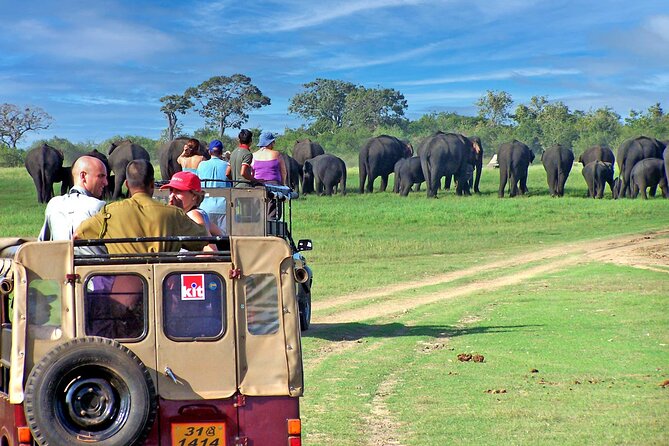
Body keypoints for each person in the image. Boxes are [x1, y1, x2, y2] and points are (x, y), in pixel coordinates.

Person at [75, 159, 209, 254]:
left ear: (127, 184)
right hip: (165, 284)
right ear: (152, 184)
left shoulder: (109, 212)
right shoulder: (174, 214)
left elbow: (78, 235)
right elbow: (202, 240)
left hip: (125, 287)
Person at [39, 155, 109, 255]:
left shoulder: (53, 204)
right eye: (101, 176)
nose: (106, 182)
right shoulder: (99, 206)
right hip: (94, 269)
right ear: (83, 176)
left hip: (61, 268)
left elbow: (42, 243)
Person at [160, 171, 222, 251]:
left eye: (178, 191)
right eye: (171, 190)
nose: (172, 196)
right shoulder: (198, 213)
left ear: (194, 196)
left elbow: (211, 251)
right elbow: (220, 235)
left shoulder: (193, 215)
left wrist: (184, 262)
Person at [197, 139, 231, 232]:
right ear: (221, 152)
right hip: (223, 207)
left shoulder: (201, 165)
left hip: (205, 206)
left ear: (209, 151)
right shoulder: (227, 165)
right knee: (224, 238)